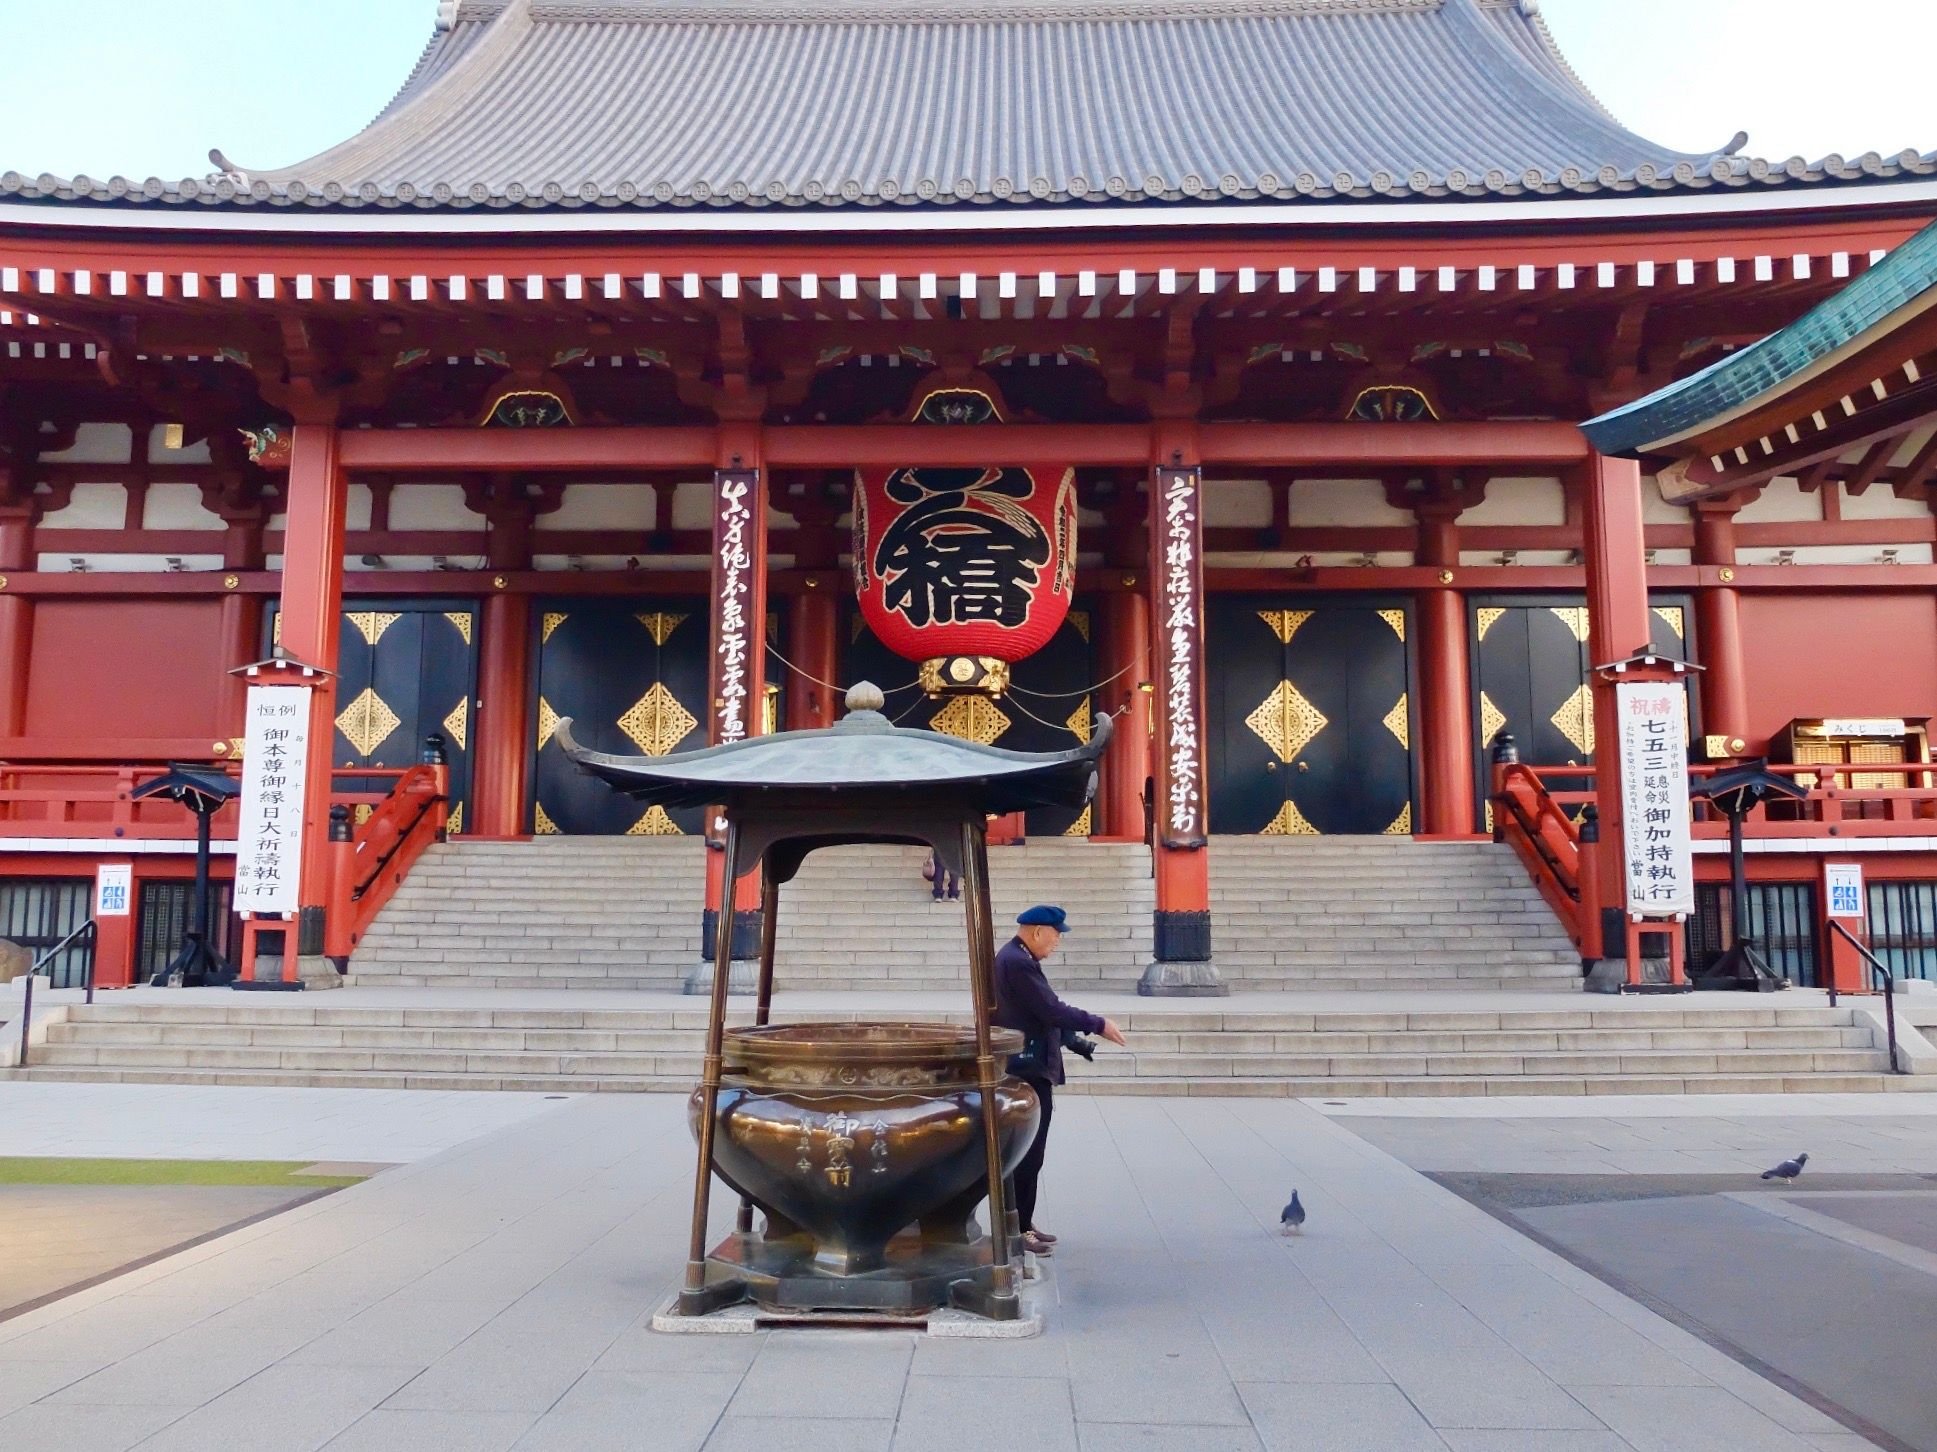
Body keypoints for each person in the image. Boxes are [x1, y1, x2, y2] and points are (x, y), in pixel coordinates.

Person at [992, 904, 1126, 1256]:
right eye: (1055, 935)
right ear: (1037, 932)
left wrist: (1075, 1040)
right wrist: (1097, 1023)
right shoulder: (1017, 962)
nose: (1057, 943)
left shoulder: (1017, 957)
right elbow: (1050, 1008)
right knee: (1027, 1152)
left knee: (1030, 1152)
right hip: (1026, 1068)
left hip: (1031, 1062)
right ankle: (1017, 1229)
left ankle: (1022, 1221)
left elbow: (1040, 1012)